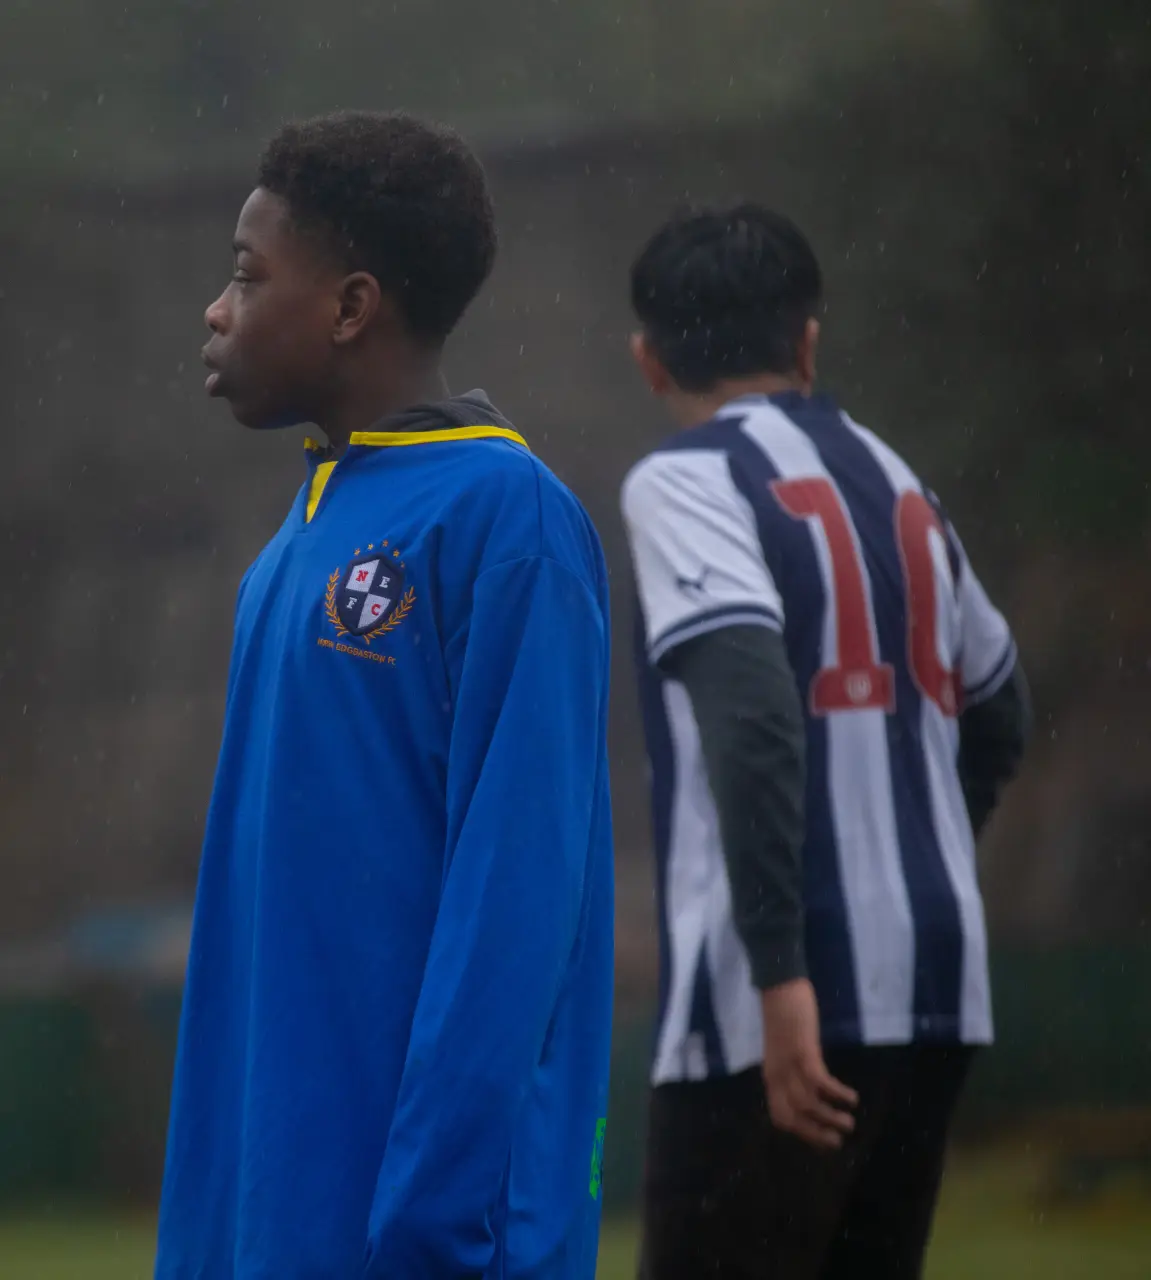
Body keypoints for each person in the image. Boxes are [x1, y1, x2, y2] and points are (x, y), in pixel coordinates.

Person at [155, 111, 614, 1280]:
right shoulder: (289, 547)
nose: (217, 308)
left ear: (352, 307)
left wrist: (432, 1213)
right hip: (265, 1214)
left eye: (249, 277)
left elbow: (515, 902)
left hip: (413, 1236)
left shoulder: (506, 523)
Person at [621, 204, 1031, 1279]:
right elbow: (998, 708)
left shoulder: (681, 478)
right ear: (808, 341)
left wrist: (779, 963)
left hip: (773, 1002)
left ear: (649, 359)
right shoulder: (897, 476)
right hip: (933, 979)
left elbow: (751, 714)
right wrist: (913, 849)